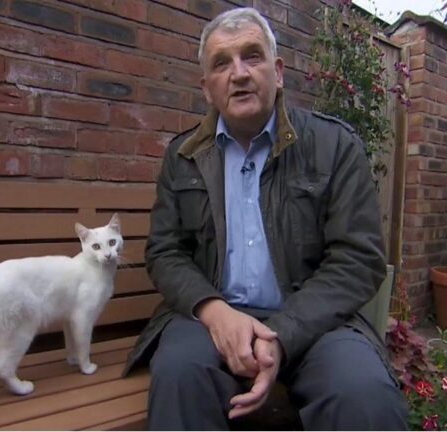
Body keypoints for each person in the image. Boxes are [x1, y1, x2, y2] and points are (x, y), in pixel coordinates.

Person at [122, 7, 408, 430]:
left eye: (251, 56)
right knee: (180, 375)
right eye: (222, 63)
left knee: (363, 395)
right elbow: (165, 252)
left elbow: (357, 259)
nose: (238, 73)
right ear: (207, 88)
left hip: (315, 321)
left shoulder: (335, 146)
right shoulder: (182, 157)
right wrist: (214, 311)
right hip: (212, 321)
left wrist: (282, 334)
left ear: (277, 71)